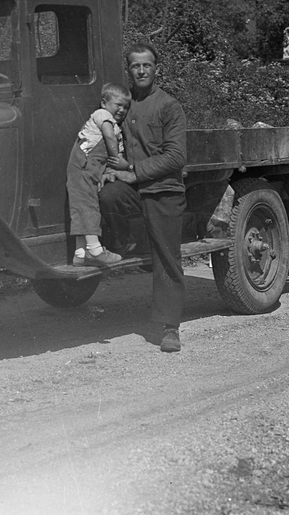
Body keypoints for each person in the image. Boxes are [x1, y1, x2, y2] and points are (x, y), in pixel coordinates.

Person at [99, 43, 188, 352]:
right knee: (109, 196)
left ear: (156, 69)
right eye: (135, 66)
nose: (140, 71)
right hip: (134, 190)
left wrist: (133, 171)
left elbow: (175, 156)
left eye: (146, 65)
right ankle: (124, 244)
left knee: (166, 257)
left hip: (164, 191)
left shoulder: (168, 106)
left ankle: (169, 327)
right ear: (129, 70)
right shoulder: (123, 106)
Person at [66, 83, 132, 267]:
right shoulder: (102, 115)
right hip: (84, 163)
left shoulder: (115, 124)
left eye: (126, 106)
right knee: (88, 205)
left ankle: (80, 253)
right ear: (104, 103)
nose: (122, 109)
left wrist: (111, 171)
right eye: (118, 104)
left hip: (91, 168)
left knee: (82, 204)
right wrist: (116, 158)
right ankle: (95, 250)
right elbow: (109, 138)